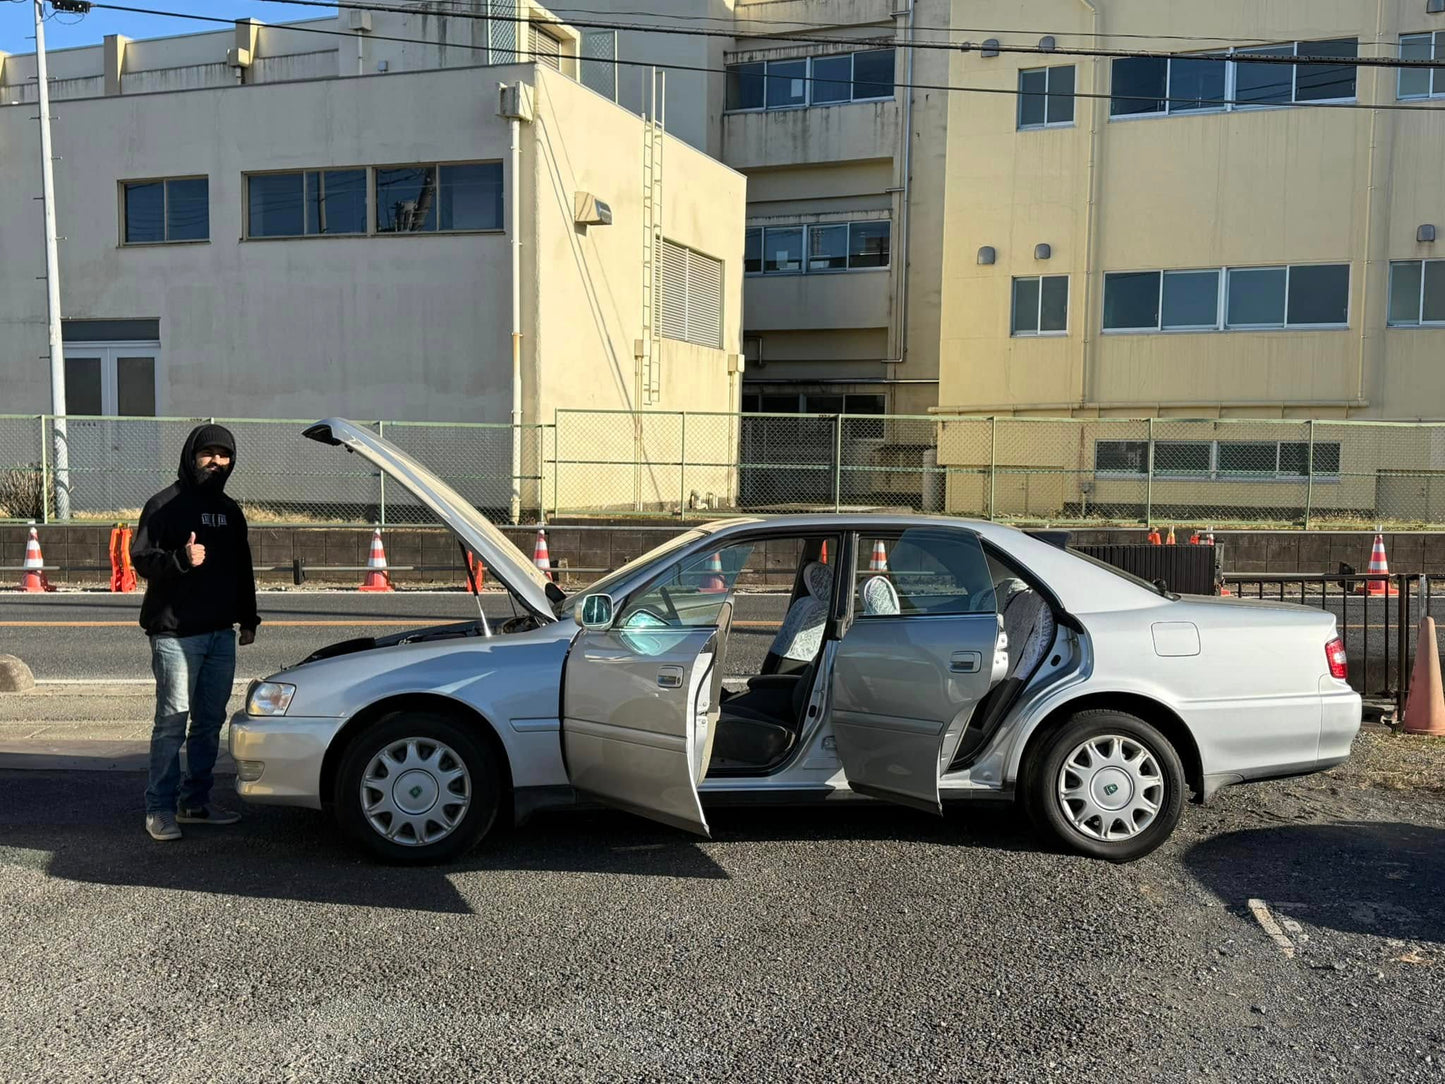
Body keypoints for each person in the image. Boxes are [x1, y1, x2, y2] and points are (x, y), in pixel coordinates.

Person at [130, 424, 259, 842]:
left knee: (208, 724)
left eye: (224, 455)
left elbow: (242, 569)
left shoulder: (230, 510)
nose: (216, 461)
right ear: (191, 456)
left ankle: (195, 803)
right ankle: (159, 808)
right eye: (209, 453)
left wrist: (249, 618)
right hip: (174, 634)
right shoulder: (164, 505)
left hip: (220, 633)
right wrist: (181, 559)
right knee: (171, 723)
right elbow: (142, 560)